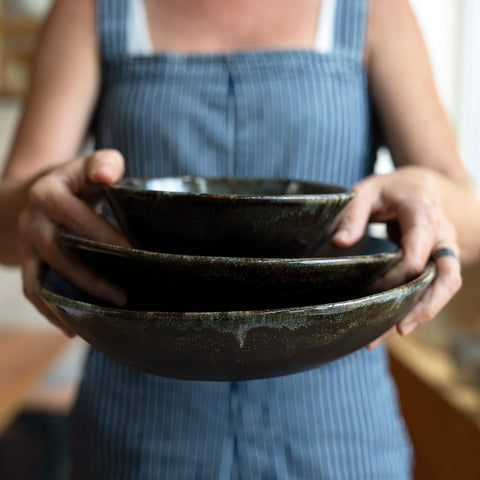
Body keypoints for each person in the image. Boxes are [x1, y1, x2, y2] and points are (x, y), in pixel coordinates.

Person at [1, 0, 479, 478]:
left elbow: (468, 217)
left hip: (337, 433)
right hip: (137, 434)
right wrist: (34, 206)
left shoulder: (374, 9)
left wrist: (431, 195)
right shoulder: (91, 9)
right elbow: (7, 230)